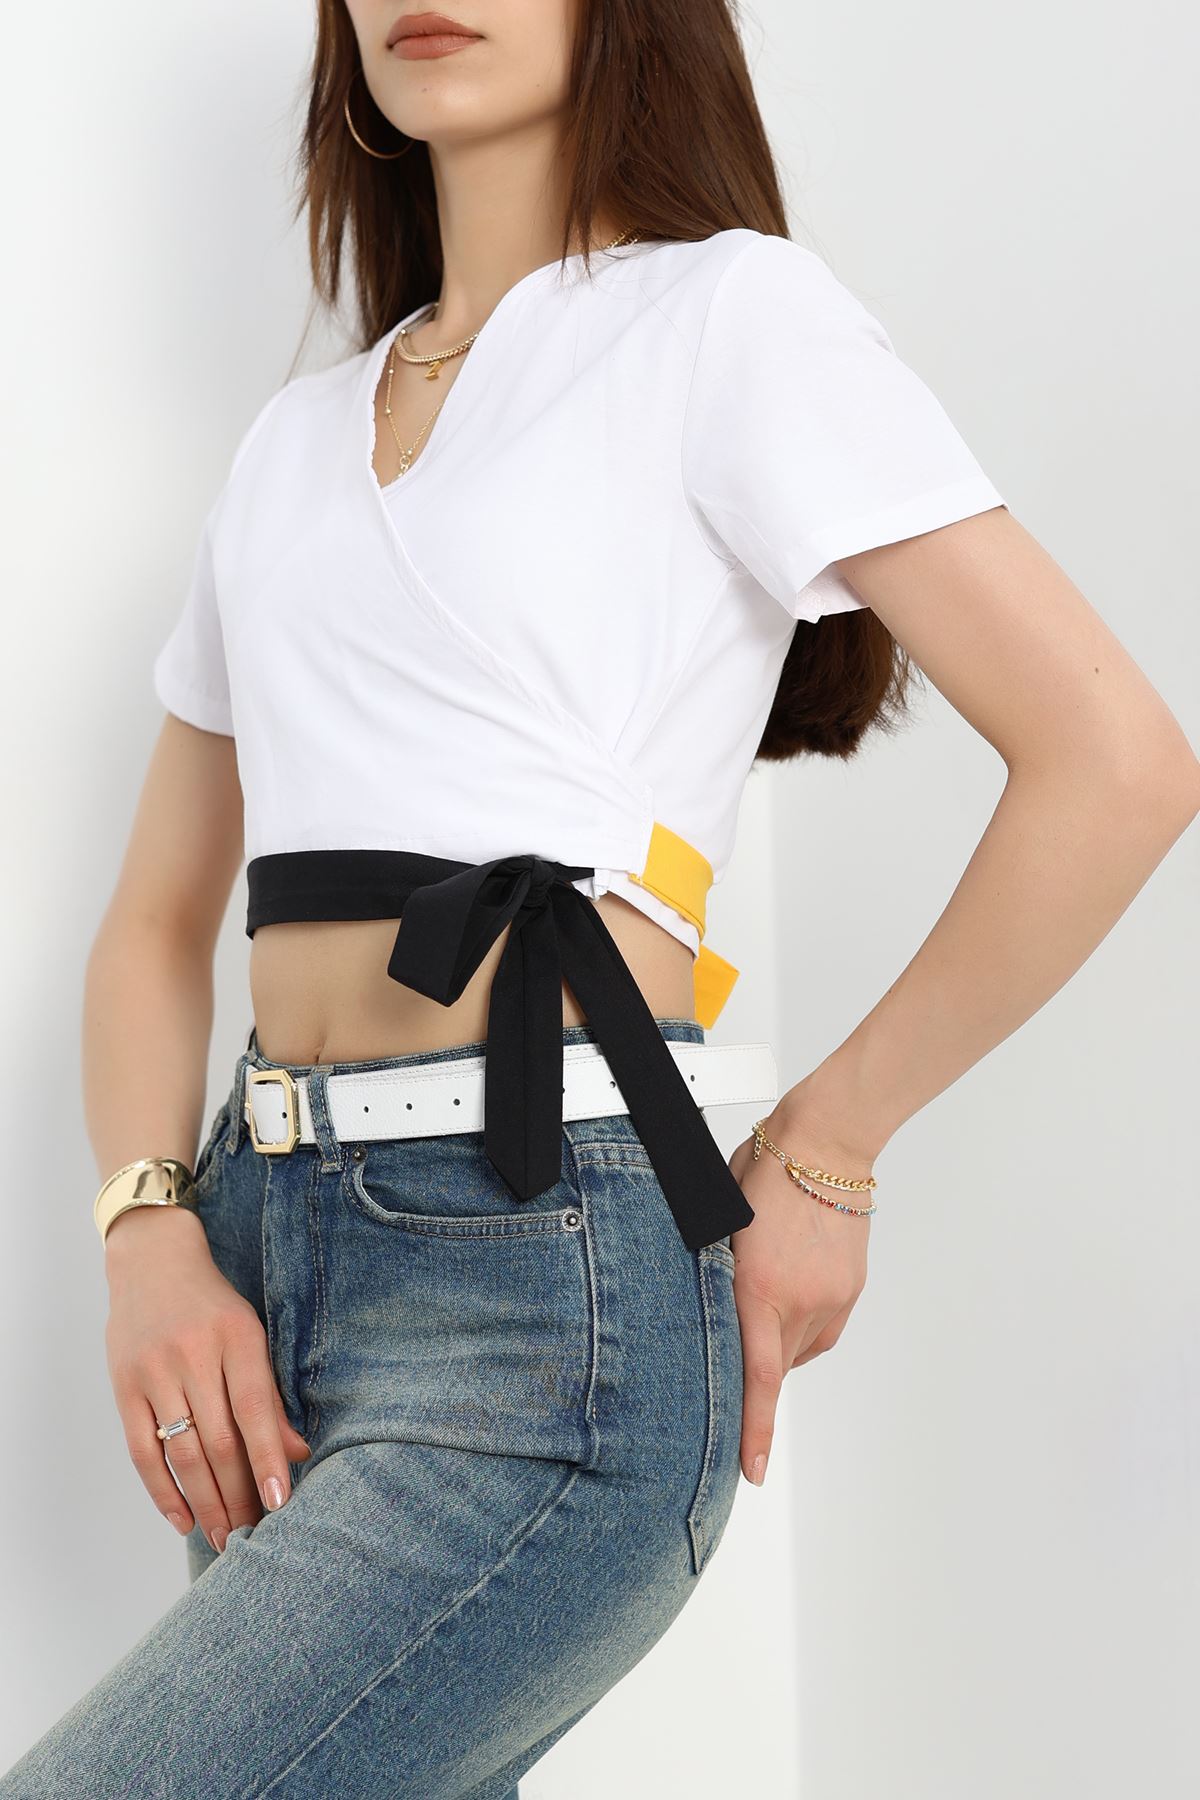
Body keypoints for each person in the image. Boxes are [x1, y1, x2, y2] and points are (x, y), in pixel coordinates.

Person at [6, 2, 1199, 1795]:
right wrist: (147, 1230)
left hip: (543, 1283)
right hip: (260, 1268)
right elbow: (158, 918)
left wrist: (831, 1149)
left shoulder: (728, 319)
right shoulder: (292, 443)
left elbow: (1117, 762)